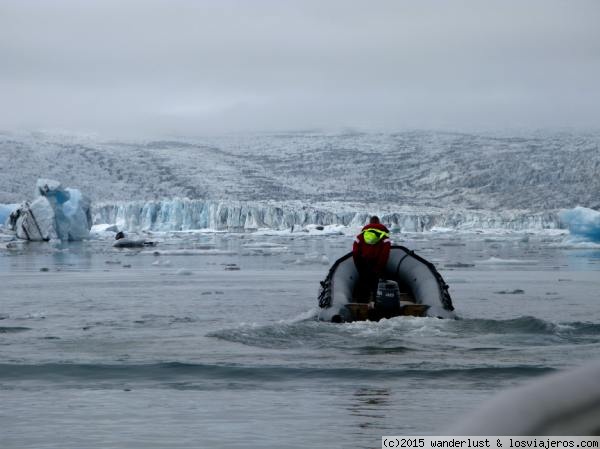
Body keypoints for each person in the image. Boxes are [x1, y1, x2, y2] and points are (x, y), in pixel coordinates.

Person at [352, 216, 391, 302]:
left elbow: (355, 252)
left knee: (363, 284)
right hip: (377, 264)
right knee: (376, 286)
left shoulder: (360, 236)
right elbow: (385, 254)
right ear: (378, 222)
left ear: (369, 223)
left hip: (364, 264)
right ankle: (377, 305)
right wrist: (379, 267)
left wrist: (359, 266)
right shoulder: (384, 237)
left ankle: (362, 305)